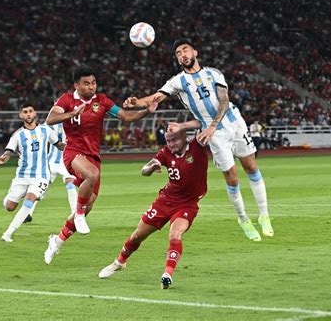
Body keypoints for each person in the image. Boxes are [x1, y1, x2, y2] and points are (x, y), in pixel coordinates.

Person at [123, 38, 273, 241]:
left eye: (185, 50)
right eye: (178, 53)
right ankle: (243, 218)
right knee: (232, 176)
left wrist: (211, 125)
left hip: (234, 123)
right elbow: (156, 98)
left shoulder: (214, 73)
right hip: (216, 135)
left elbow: (224, 100)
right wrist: (136, 102)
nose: (182, 55)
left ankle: (264, 215)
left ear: (195, 52)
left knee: (252, 168)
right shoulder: (177, 82)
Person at [43, 65, 158, 264]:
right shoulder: (67, 100)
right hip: (73, 152)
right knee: (92, 176)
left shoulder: (101, 101)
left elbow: (127, 116)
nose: (91, 87)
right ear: (76, 85)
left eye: (93, 82)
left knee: (89, 205)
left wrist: (147, 110)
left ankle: (57, 240)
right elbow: (50, 118)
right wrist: (71, 114)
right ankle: (78, 215)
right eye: (86, 83)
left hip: (93, 155)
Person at [99, 130, 208, 289]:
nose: (170, 145)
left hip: (187, 204)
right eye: (168, 141)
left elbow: (203, 122)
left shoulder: (196, 148)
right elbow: (144, 170)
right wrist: (151, 168)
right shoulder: (165, 152)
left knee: (175, 233)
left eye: (174, 140)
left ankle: (167, 274)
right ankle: (119, 262)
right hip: (164, 201)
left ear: (184, 137)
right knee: (137, 236)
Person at [0, 103, 65, 242]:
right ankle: (13, 195)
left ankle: (8, 233)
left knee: (30, 199)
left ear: (35, 114)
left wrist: (76, 149)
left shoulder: (46, 130)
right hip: (22, 176)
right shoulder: (18, 135)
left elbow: (59, 145)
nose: (28, 114)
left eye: (30, 111)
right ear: (21, 115)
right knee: (10, 207)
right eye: (25, 112)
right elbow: (9, 151)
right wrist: (4, 157)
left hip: (41, 176)